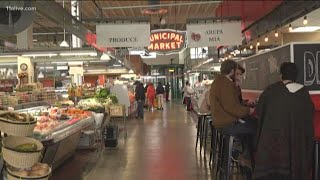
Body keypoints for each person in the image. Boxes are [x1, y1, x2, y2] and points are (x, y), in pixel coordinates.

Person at [254, 62, 314, 180]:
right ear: (296, 76)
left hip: (272, 150)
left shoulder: (271, 91)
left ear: (281, 75)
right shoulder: (303, 93)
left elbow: (259, 111)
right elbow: (309, 117)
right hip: (297, 148)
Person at [209, 60, 256, 170]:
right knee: (255, 126)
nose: (237, 74)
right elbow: (232, 108)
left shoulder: (220, 81)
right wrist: (249, 111)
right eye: (236, 72)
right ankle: (247, 158)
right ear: (231, 71)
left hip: (221, 122)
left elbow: (232, 104)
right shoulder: (225, 84)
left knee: (250, 126)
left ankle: (244, 155)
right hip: (227, 124)